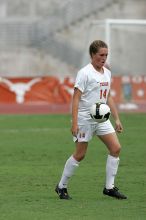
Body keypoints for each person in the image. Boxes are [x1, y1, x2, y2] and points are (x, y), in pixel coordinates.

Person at [55, 40, 127, 200]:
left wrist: (117, 119)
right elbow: (76, 98)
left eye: (106, 55)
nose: (104, 58)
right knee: (80, 154)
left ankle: (109, 188)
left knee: (115, 148)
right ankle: (61, 186)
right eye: (101, 55)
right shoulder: (84, 73)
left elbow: (108, 96)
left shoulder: (107, 73)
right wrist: (74, 122)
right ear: (92, 55)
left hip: (101, 118)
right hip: (84, 119)